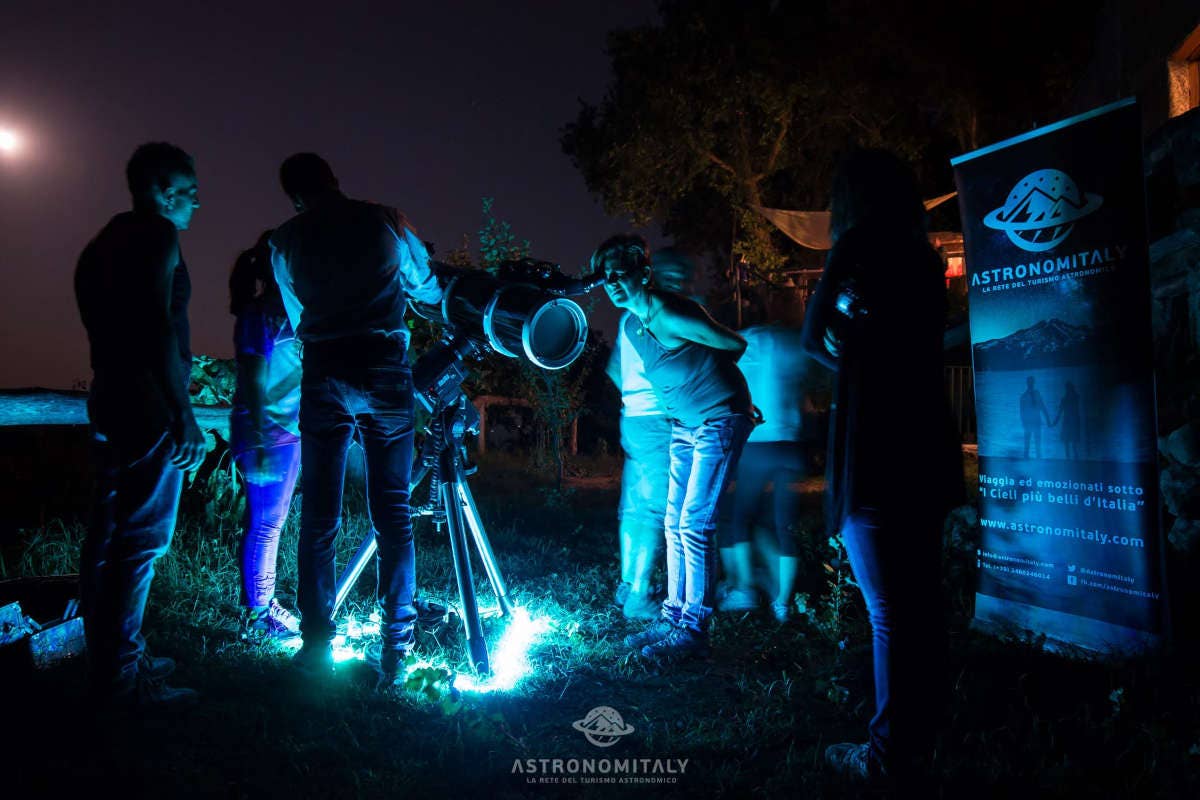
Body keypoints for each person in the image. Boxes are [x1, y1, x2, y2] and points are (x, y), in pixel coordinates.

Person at [801, 149, 963, 785]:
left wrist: (857, 357)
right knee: (920, 602)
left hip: (875, 437)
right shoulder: (925, 261)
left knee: (890, 612)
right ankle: (922, 736)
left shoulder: (857, 249)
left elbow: (816, 334)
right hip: (924, 436)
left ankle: (890, 757)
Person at [269, 153, 442, 684]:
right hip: (384, 367)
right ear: (335, 178)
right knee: (391, 512)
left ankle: (317, 643)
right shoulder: (385, 219)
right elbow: (425, 285)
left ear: (295, 197)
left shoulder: (284, 240)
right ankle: (397, 645)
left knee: (320, 513)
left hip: (324, 372)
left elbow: (298, 318)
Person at [74, 142, 205, 708]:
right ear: (163, 190)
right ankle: (122, 679)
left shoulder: (99, 243)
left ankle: (109, 657)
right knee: (142, 541)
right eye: (191, 194)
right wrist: (183, 413)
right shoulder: (156, 235)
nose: (197, 206)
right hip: (148, 405)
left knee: (106, 537)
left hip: (107, 399)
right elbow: (157, 326)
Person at [596, 235, 753, 662]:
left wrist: (710, 386)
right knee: (672, 523)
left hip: (718, 419)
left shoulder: (670, 311)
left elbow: (734, 345)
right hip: (682, 425)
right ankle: (673, 616)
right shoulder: (631, 324)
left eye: (618, 273)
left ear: (642, 273)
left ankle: (693, 628)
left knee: (695, 523)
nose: (609, 282)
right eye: (603, 275)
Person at [604, 248, 696, 620]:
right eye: (673, 277)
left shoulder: (630, 315)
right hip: (657, 422)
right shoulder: (660, 314)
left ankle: (628, 582)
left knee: (634, 505)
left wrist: (634, 398)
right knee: (653, 510)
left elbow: (613, 370)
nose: (678, 284)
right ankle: (639, 596)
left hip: (634, 419)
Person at [228, 231, 303, 640]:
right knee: (266, 525)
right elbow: (254, 381)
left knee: (270, 523)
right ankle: (260, 615)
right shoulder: (262, 317)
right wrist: (256, 442)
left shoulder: (287, 313)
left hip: (281, 431)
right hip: (269, 432)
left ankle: (263, 604)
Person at [719, 320, 808, 622]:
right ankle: (783, 602)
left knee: (739, 517)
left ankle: (743, 589)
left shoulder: (737, 341)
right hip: (790, 443)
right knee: (785, 526)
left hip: (757, 442)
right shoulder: (789, 342)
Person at [1020, 376, 1052, 458]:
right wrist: (1047, 418)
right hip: (1031, 423)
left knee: (1034, 444)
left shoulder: (1030, 395)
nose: (1031, 384)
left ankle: (1033, 460)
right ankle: (1029, 460)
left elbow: (1042, 406)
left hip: (1034, 422)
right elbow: (1022, 412)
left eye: (1031, 382)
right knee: (1030, 445)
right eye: (1030, 382)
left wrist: (1047, 418)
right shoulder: (1025, 396)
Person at [1052, 381, 1081, 460]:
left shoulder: (1067, 399)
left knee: (1068, 441)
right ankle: (1072, 457)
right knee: (1070, 441)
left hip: (1070, 421)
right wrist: (1056, 421)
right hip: (1071, 421)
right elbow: (1060, 411)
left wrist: (1055, 421)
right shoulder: (1074, 398)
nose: (1068, 390)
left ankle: (1070, 457)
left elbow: (1060, 411)